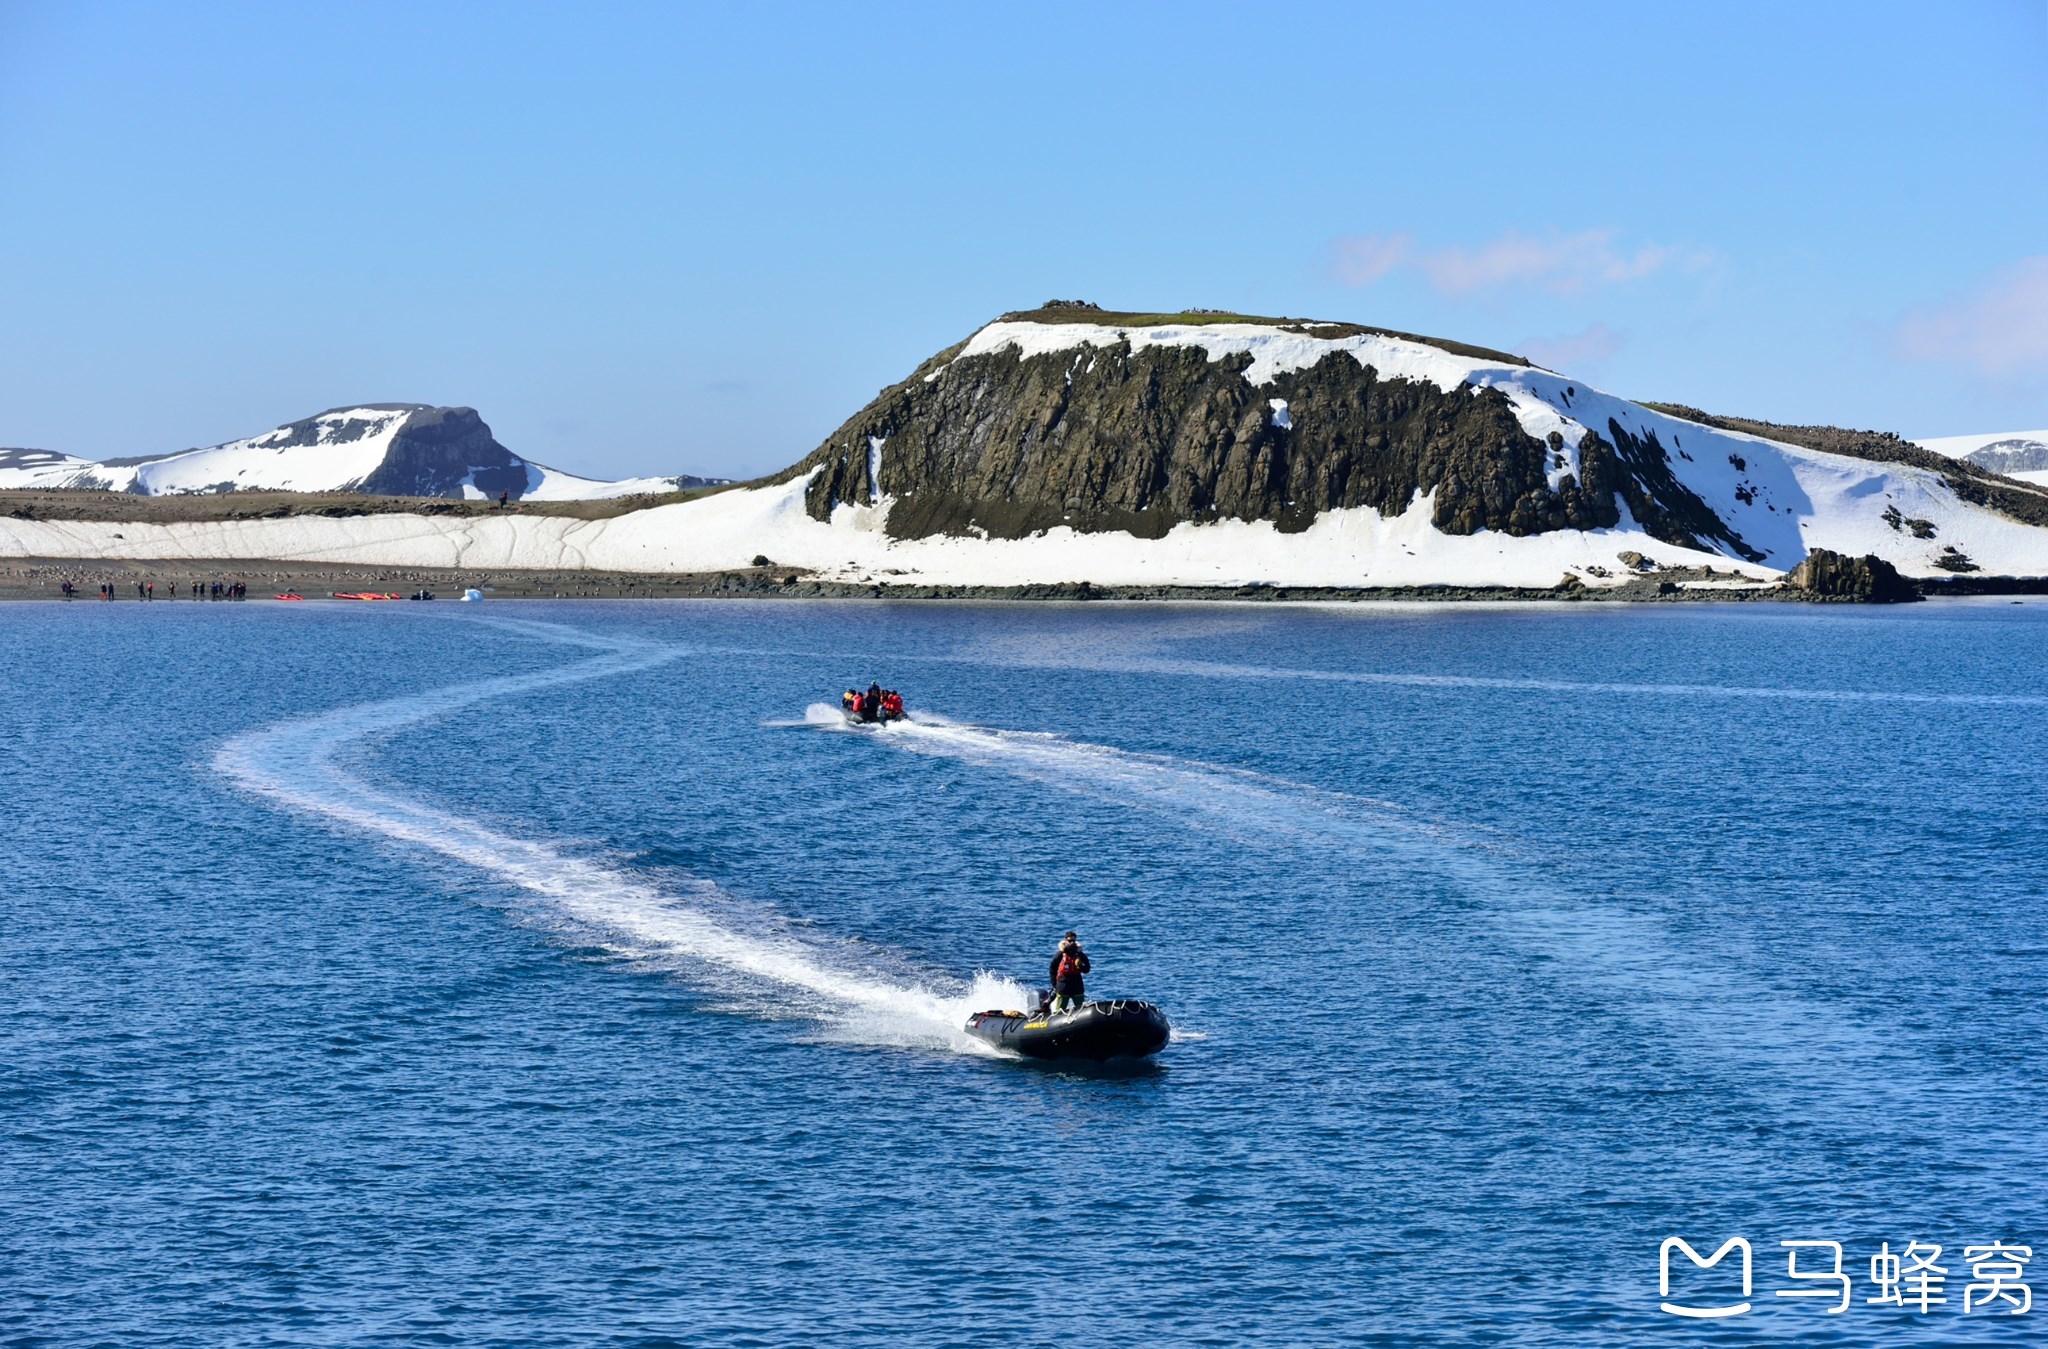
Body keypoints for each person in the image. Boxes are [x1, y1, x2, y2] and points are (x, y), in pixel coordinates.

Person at [1048, 931, 1091, 1013]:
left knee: (1081, 1010)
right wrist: (1055, 984)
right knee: (1060, 1011)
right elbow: (1052, 969)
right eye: (1069, 941)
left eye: (1073, 941)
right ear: (1065, 941)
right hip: (1063, 986)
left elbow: (1087, 969)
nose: (1071, 943)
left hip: (1077, 985)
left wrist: (1080, 966)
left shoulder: (1080, 955)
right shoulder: (1060, 954)